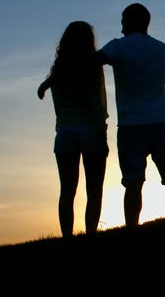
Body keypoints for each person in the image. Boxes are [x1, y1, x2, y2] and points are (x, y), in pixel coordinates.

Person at [88, 3, 165, 227]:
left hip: (130, 125)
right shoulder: (164, 49)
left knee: (133, 183)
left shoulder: (118, 47)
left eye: (122, 21)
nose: (120, 27)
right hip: (161, 121)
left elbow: (93, 62)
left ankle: (132, 229)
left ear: (129, 21)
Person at [37, 21, 109, 237]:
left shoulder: (58, 69)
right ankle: (90, 234)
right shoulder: (93, 65)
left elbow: (47, 88)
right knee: (94, 191)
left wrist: (45, 85)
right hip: (90, 129)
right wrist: (101, 133)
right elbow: (97, 102)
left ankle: (67, 238)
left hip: (65, 133)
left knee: (67, 191)